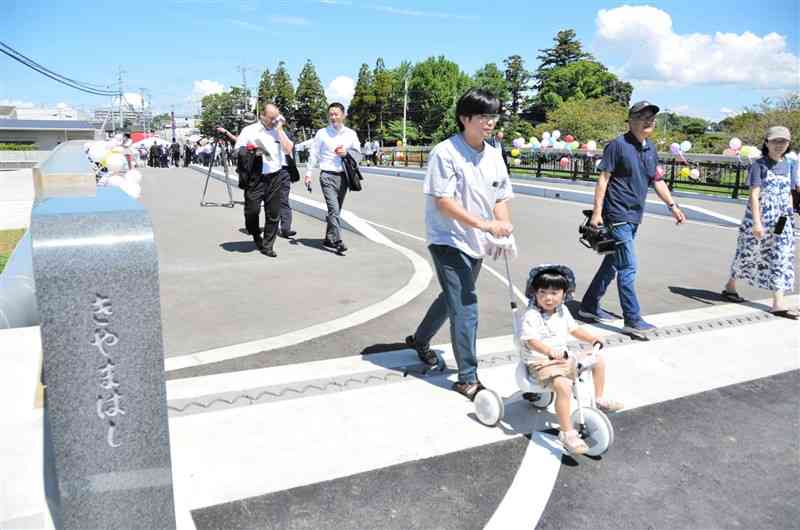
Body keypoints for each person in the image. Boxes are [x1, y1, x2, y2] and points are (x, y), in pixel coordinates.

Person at [404, 88, 514, 400]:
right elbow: (444, 202)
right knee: (466, 306)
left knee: (451, 298)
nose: (489, 123)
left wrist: (504, 227)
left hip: (476, 240)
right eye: (483, 116)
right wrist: (484, 224)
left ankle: (420, 339)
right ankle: (467, 377)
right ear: (465, 118)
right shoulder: (445, 152)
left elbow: (501, 197)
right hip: (447, 239)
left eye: (493, 116)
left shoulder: (493, 155)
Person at [578, 101, 686, 334]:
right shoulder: (617, 145)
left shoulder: (651, 148)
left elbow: (656, 179)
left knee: (613, 263)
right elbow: (603, 179)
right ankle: (632, 319)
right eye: (643, 117)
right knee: (628, 266)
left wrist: (672, 206)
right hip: (617, 214)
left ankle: (588, 305)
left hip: (634, 215)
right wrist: (597, 213)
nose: (649, 121)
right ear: (630, 120)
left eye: (652, 118)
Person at [519, 266, 622, 455]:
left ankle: (598, 399)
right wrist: (549, 351)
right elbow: (531, 341)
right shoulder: (531, 316)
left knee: (597, 359)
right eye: (542, 292)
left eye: (554, 293)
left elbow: (574, 330)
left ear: (564, 294)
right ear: (535, 293)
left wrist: (592, 339)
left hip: (563, 359)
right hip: (542, 362)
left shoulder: (562, 311)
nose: (548, 298)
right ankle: (567, 433)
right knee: (564, 385)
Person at [721, 126, 797, 318]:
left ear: (788, 144)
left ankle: (778, 301)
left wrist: (789, 214)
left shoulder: (790, 164)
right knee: (747, 253)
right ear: (767, 143)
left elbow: (789, 191)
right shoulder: (759, 165)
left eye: (783, 142)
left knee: (781, 254)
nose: (779, 145)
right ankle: (731, 286)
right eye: (775, 141)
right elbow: (754, 195)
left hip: (781, 218)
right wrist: (756, 222)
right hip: (760, 217)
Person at [234, 104, 294, 258]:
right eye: (272, 118)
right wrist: (250, 150)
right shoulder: (249, 131)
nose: (275, 121)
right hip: (256, 177)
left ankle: (268, 245)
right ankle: (255, 234)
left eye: (277, 117)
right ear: (262, 116)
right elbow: (237, 150)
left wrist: (280, 129)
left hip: (275, 176)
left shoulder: (278, 131)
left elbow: (288, 149)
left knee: (273, 213)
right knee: (252, 211)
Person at [303, 103, 362, 253]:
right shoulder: (322, 133)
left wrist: (346, 153)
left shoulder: (351, 134)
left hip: (344, 177)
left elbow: (358, 154)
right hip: (327, 176)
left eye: (336, 114)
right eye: (331, 114)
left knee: (335, 211)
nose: (333, 117)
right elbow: (314, 154)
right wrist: (309, 173)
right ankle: (338, 240)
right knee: (334, 209)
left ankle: (329, 238)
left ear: (343, 115)